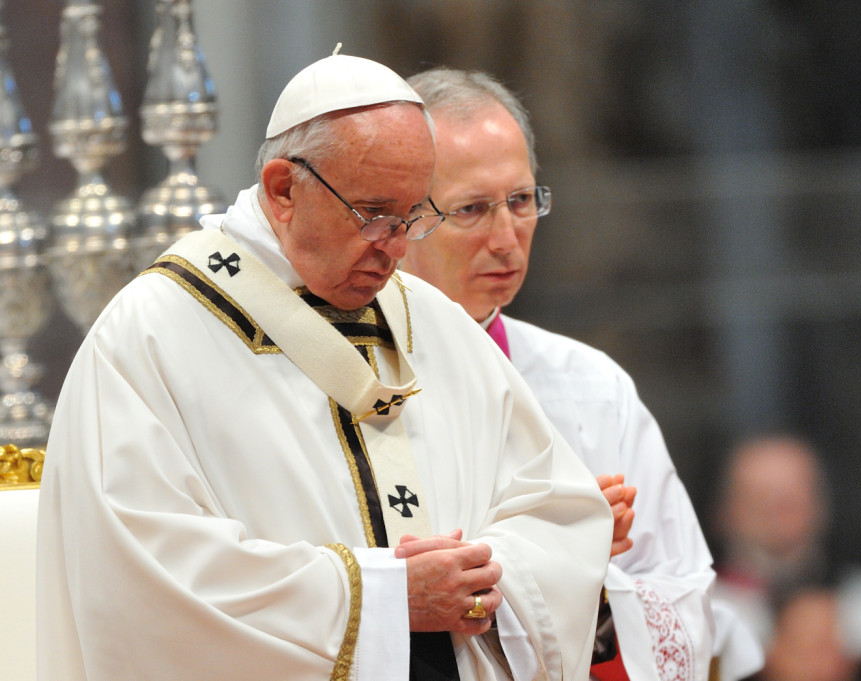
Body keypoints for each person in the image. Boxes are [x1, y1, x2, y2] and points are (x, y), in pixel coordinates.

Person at [35, 49, 614, 681]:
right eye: (374, 216)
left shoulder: (431, 321)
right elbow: (142, 580)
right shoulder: (152, 333)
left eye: (413, 217)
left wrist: (482, 581)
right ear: (284, 189)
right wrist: (384, 599)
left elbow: (557, 510)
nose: (394, 249)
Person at [400, 66, 752, 681]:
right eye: (473, 209)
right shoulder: (345, 386)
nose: (507, 238)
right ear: (402, 217)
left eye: (520, 200)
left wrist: (590, 573)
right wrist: (557, 549)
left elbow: (684, 599)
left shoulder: (589, 386)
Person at [712, 435, 861, 679]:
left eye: (791, 499)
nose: (778, 515)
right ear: (724, 511)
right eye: (760, 499)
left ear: (822, 504)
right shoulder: (697, 613)